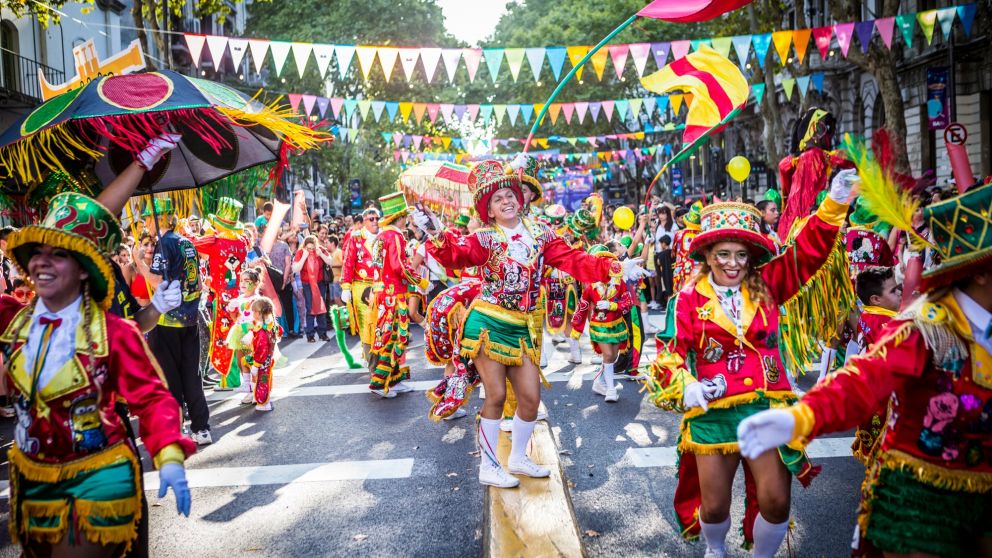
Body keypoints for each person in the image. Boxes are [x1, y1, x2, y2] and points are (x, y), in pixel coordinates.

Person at [738, 178, 992, 558]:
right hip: (921, 503)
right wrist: (801, 418)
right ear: (982, 271)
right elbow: (862, 379)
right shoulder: (926, 329)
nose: (733, 263)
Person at [645, 170, 857, 558]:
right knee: (713, 506)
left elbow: (807, 252)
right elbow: (668, 353)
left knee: (776, 501)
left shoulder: (769, 284)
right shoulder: (689, 299)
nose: (733, 263)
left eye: (741, 254)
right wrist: (686, 385)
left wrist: (835, 203)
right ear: (707, 256)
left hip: (766, 406)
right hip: (713, 414)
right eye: (723, 254)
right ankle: (716, 550)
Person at [413, 160, 646, 488]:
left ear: (518, 200)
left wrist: (615, 269)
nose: (506, 200)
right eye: (497, 199)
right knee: (495, 395)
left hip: (521, 325)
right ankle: (489, 466)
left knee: (530, 398)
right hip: (487, 323)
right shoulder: (484, 238)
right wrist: (436, 233)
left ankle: (519, 457)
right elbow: (457, 255)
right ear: (489, 210)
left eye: (509, 194)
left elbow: (572, 260)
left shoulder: (541, 233)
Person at [2, 192, 194, 556]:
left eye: (58, 254)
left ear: (83, 270)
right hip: (31, 479)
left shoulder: (113, 333)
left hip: (97, 477)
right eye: (38, 252)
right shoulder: (14, 320)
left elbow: (152, 399)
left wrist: (168, 453)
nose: (43, 262)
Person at [142, 198, 212, 446]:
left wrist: (138, 261)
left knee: (170, 376)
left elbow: (156, 283)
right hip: (190, 319)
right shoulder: (187, 242)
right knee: (192, 375)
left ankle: (175, 428)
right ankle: (202, 428)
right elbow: (200, 283)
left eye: (147, 219)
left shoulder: (164, 244)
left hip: (168, 321)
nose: (144, 224)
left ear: (158, 219)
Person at [367, 193, 426, 397]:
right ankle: (379, 383)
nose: (407, 220)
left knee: (392, 337)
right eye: (405, 216)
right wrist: (419, 281)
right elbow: (398, 265)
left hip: (385, 294)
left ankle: (393, 380)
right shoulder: (396, 236)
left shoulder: (381, 236)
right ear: (400, 217)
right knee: (392, 338)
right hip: (394, 296)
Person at [193, 197, 251, 390]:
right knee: (241, 335)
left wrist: (186, 230)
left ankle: (229, 378)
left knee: (225, 337)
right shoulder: (243, 241)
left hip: (223, 298)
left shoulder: (215, 241)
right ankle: (243, 377)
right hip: (240, 296)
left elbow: (192, 243)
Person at [570, 243, 634, 402]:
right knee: (608, 354)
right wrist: (576, 331)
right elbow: (582, 308)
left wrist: (613, 305)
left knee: (613, 357)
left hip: (617, 325)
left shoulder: (620, 284)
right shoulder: (591, 287)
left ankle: (600, 382)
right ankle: (611, 390)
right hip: (600, 327)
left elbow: (628, 302)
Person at [340, 207, 380, 359]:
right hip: (360, 285)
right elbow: (348, 262)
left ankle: (379, 353)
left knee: (380, 321)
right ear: (364, 222)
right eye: (371, 219)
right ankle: (370, 356)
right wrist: (346, 287)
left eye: (377, 218)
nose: (375, 221)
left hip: (379, 285)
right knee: (364, 321)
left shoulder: (384, 236)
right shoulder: (356, 238)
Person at [291, 234, 331, 342]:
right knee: (310, 308)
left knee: (321, 307)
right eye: (308, 248)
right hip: (307, 283)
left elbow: (330, 262)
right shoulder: (301, 252)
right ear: (305, 246)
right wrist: (304, 256)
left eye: (312, 248)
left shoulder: (320, 250)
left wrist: (321, 254)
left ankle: (323, 333)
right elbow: (295, 269)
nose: (310, 250)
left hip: (320, 282)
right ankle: (310, 335)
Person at [242, 296, 279, 412]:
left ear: (259, 313)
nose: (252, 314)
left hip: (261, 362)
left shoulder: (263, 330)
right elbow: (280, 331)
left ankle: (263, 403)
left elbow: (261, 349)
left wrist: (256, 365)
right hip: (266, 360)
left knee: (262, 381)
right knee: (263, 379)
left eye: (253, 312)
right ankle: (256, 395)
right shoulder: (269, 324)